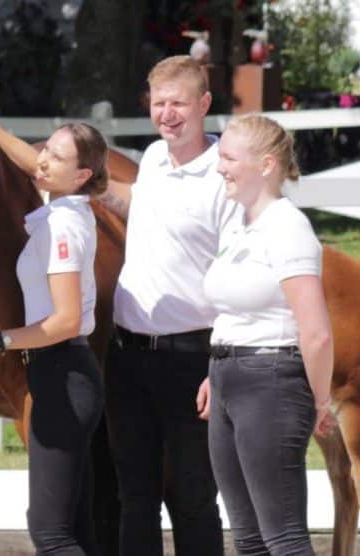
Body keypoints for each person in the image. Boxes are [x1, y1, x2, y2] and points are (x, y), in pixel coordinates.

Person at [0, 123, 108, 555]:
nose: (43, 161)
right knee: (76, 526)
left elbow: (65, 320)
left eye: (57, 157)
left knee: (49, 532)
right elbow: (35, 164)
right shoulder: (66, 206)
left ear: (81, 175)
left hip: (63, 378)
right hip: (61, 374)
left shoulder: (61, 229)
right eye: (45, 149)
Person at [106, 55, 231, 555]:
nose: (167, 114)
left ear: (204, 104)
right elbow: (138, 202)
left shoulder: (225, 175)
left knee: (193, 497)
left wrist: (218, 368)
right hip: (128, 356)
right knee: (135, 497)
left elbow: (242, 276)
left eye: (178, 103)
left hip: (193, 359)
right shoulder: (155, 158)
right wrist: (83, 183)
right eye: (159, 103)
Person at [198, 113, 335, 555]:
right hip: (228, 379)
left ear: (267, 165)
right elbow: (232, 310)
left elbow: (316, 332)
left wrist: (320, 401)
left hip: (271, 381)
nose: (220, 167)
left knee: (284, 538)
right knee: (249, 539)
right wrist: (216, 372)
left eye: (229, 158)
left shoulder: (288, 228)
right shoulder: (237, 225)